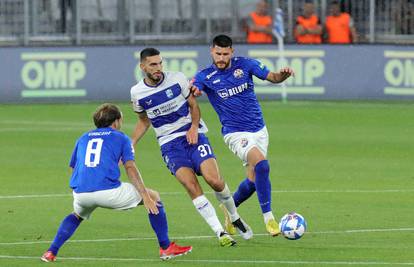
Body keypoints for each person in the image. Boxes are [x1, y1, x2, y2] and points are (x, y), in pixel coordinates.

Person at [130, 48, 253, 247]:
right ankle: (220, 232)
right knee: (191, 186)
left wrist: (195, 127)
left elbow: (194, 106)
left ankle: (234, 216)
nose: (158, 68)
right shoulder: (137, 93)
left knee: (214, 180)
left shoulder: (177, 79)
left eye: (160, 63)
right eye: (153, 64)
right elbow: (144, 121)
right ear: (142, 66)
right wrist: (132, 142)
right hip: (169, 145)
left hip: (193, 136)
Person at [40, 103, 192, 262]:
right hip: (108, 192)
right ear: (116, 121)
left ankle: (51, 252)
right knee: (154, 196)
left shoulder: (83, 138)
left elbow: (73, 167)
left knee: (77, 215)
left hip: (81, 192)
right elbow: (130, 168)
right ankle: (166, 247)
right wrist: (145, 195)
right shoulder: (121, 138)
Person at [190, 34, 294, 237]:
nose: (221, 58)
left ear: (232, 52)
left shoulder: (246, 65)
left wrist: (284, 75)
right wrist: (195, 90)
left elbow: (273, 77)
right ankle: (269, 218)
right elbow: (194, 88)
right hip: (235, 133)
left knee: (255, 181)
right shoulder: (205, 76)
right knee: (262, 165)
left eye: (225, 54)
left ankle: (230, 210)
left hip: (259, 130)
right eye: (217, 53)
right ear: (211, 51)